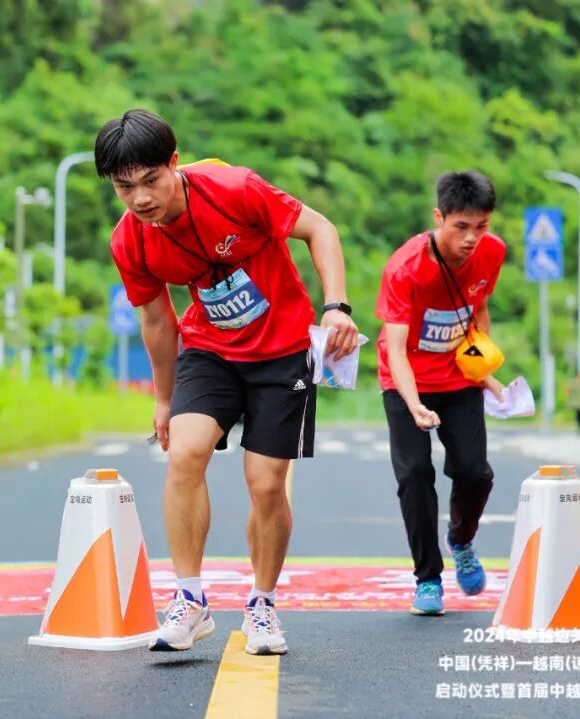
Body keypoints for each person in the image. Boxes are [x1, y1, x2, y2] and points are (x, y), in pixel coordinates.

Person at [95, 109, 359, 655]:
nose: (141, 198)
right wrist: (163, 399)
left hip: (283, 350)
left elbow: (320, 229)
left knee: (265, 484)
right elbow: (157, 321)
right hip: (210, 350)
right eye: (125, 188)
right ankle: (189, 601)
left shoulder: (234, 189)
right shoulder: (131, 242)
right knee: (185, 454)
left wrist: (336, 307)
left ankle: (262, 605)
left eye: (150, 181)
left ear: (174, 163)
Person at [376, 171, 507, 616]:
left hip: (457, 378)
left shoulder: (492, 253)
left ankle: (462, 540)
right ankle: (428, 578)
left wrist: (485, 371)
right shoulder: (405, 268)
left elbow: (479, 308)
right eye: (461, 227)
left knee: (476, 473)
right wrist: (413, 404)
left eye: (482, 226)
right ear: (439, 217)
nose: (473, 238)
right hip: (405, 378)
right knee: (414, 475)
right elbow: (395, 346)